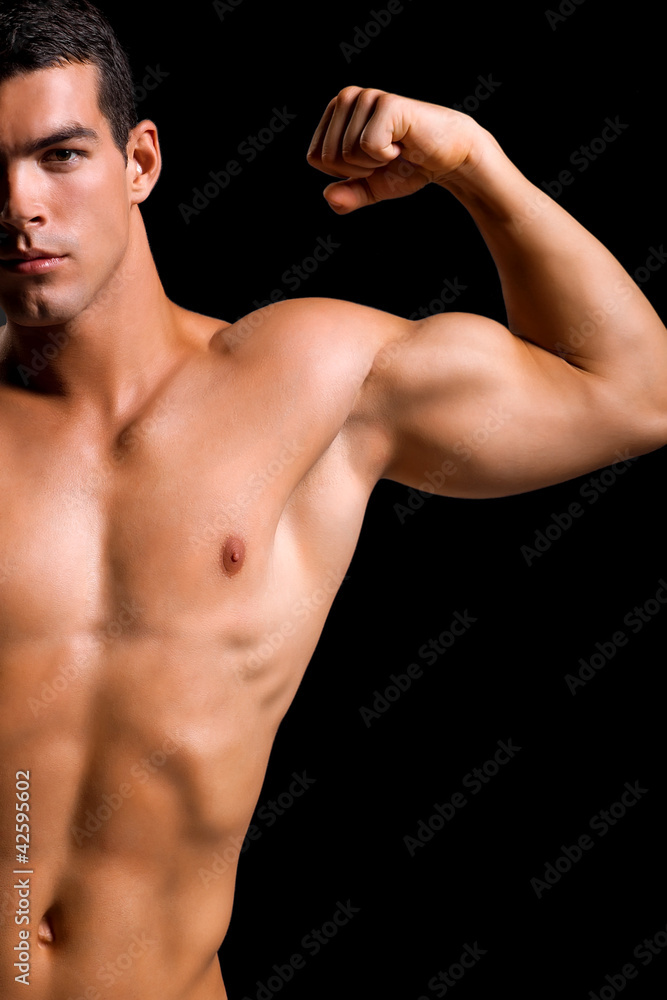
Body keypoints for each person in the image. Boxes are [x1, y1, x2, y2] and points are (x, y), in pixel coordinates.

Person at [0, 1, 665, 998]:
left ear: (139, 162)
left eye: (58, 156)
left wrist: (471, 165)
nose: (19, 202)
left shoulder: (308, 382)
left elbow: (632, 392)